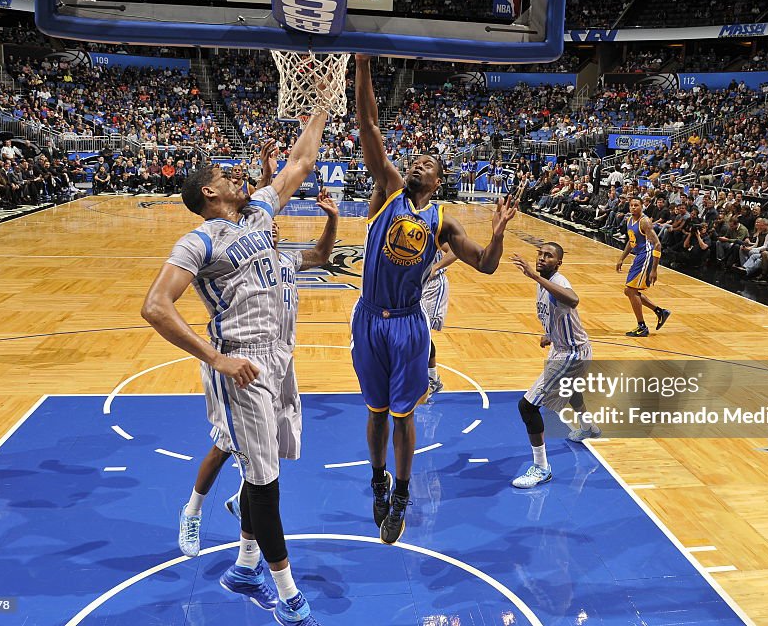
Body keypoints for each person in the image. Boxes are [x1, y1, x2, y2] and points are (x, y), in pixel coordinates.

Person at [141, 112, 328, 625]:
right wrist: (216, 358)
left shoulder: (260, 213)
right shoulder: (197, 242)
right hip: (241, 360)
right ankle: (287, 595)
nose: (237, 176)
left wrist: (321, 107)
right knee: (264, 482)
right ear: (208, 192)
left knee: (269, 467)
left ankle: (245, 566)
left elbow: (301, 161)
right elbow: (156, 306)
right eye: (226, 175)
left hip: (280, 354)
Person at [354, 54, 517, 545]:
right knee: (375, 411)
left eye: (428, 161)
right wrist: (363, 65)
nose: (417, 160)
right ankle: (377, 482)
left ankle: (401, 495)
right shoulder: (388, 191)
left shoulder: (443, 220)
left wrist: (500, 232)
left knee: (403, 414)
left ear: (439, 179)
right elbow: (369, 123)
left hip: (407, 324)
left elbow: (486, 264)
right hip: (368, 319)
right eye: (415, 158)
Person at [178, 188, 340, 559]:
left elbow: (320, 254)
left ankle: (243, 508)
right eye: (265, 227)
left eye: (274, 227)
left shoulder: (284, 261)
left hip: (278, 364)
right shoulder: (244, 255)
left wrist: (332, 218)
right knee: (222, 447)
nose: (272, 229)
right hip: (246, 364)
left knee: (264, 457)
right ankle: (192, 510)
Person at [510, 243, 595, 489]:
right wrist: (551, 333)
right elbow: (559, 314)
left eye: (549, 256)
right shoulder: (544, 283)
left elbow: (573, 300)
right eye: (540, 254)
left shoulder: (557, 281)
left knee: (527, 407)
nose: (541, 258)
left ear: (558, 263)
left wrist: (534, 275)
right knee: (570, 389)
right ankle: (588, 426)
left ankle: (541, 468)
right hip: (564, 347)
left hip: (572, 353)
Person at [616, 198, 670, 337]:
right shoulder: (629, 220)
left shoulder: (645, 221)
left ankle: (642, 327)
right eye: (631, 205)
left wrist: (654, 269)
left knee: (630, 290)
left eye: (636, 205)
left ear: (642, 207)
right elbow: (631, 240)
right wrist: (622, 258)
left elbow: (657, 244)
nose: (633, 207)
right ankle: (659, 311)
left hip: (647, 255)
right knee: (629, 291)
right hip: (639, 256)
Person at [422, 245, 458, 402]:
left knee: (422, 334)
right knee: (418, 333)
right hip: (415, 284)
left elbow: (456, 250)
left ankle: (427, 382)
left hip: (433, 285)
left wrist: (436, 267)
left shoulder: (432, 226)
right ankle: (433, 378)